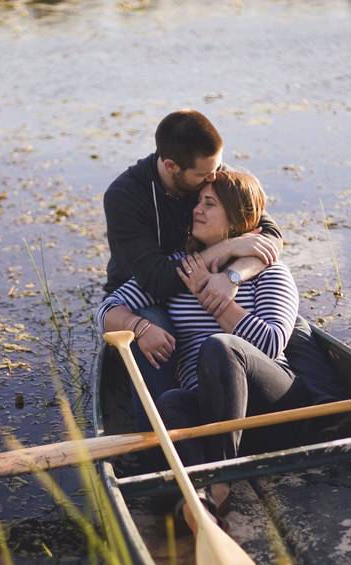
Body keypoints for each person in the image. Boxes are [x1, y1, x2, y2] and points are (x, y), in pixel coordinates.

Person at [98, 170, 321, 533]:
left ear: (235, 218)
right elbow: (106, 312)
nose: (196, 211)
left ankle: (218, 484)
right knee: (170, 402)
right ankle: (194, 493)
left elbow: (269, 344)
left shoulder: (268, 272)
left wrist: (214, 297)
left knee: (221, 348)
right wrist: (141, 326)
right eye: (198, 202)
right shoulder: (180, 270)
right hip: (208, 415)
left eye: (209, 204)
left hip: (270, 410)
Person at [102, 110, 285, 425]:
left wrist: (232, 275)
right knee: (156, 326)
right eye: (204, 177)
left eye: (217, 169)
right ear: (171, 166)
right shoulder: (125, 197)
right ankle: (157, 425)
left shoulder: (211, 173)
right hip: (149, 289)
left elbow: (267, 236)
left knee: (294, 329)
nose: (214, 178)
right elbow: (157, 280)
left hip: (208, 278)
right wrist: (225, 249)